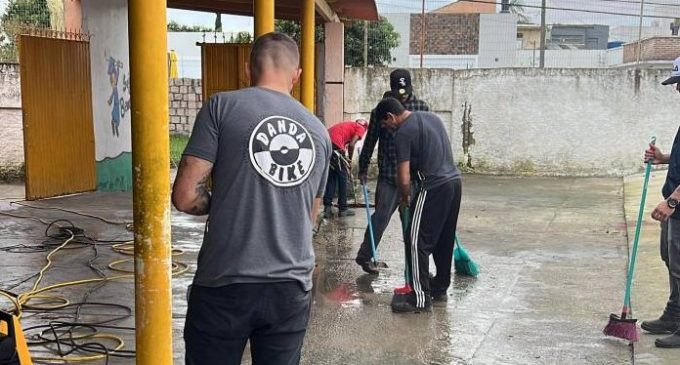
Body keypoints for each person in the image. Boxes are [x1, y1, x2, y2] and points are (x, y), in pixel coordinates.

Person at [172, 32, 331, 364]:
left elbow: (186, 197)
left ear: (248, 69)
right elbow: (310, 217)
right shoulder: (318, 131)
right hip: (291, 286)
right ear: (297, 75)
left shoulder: (222, 106)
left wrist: (231, 201)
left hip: (225, 280)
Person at [375, 97, 462, 313]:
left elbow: (403, 179)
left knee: (415, 241)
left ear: (390, 117)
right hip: (454, 183)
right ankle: (440, 286)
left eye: (385, 125)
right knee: (444, 239)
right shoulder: (432, 117)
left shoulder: (403, 133)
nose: (387, 129)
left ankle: (420, 297)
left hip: (432, 187)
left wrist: (405, 200)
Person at [355, 69, 430, 274]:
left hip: (414, 177)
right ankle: (365, 256)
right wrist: (363, 168)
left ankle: (417, 265)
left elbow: (427, 141)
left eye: (405, 91)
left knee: (416, 224)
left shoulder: (421, 108)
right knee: (380, 218)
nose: (402, 95)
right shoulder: (381, 110)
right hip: (389, 176)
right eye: (399, 91)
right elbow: (371, 140)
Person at [642, 56, 680, 348]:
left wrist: (674, 201)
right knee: (671, 260)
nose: (676, 89)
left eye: (679, 83)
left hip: (677, 203)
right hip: (674, 202)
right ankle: (674, 315)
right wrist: (663, 158)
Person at [323, 119, 368, 218]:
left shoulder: (349, 125)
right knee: (343, 178)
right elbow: (352, 144)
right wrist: (349, 161)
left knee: (332, 177)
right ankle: (343, 209)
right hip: (335, 146)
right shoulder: (360, 128)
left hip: (326, 143)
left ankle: (327, 208)